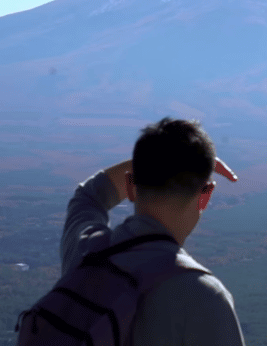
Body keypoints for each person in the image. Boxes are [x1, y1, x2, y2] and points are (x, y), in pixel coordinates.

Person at [60, 117, 246, 345]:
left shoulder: (85, 251)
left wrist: (147, 164)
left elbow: (88, 196)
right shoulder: (205, 297)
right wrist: (192, 164)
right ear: (205, 197)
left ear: (130, 186)